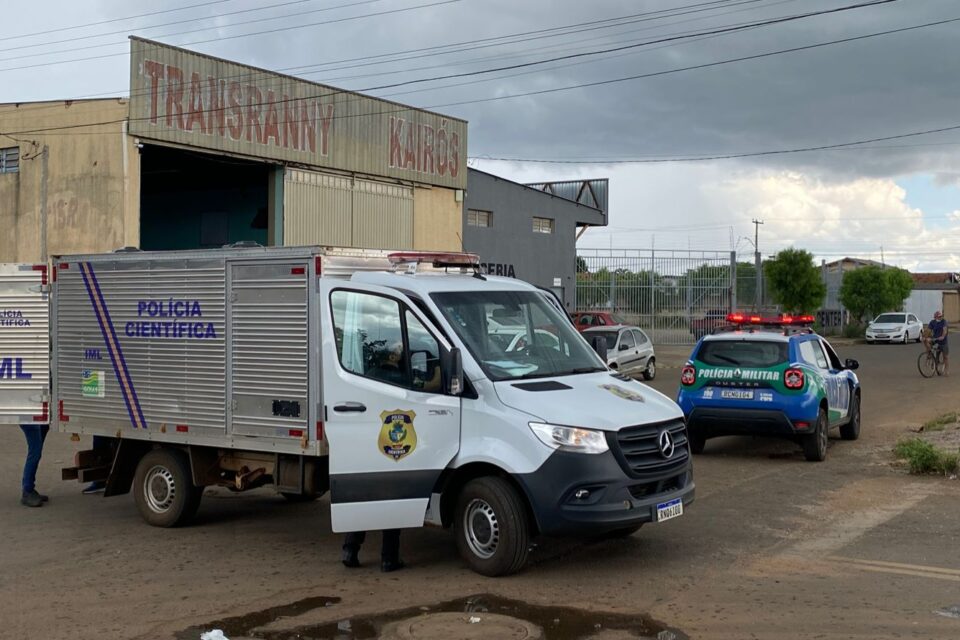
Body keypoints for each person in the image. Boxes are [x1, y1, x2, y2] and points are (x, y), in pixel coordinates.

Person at [19, 424, 50, 507]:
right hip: (30, 417)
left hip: (39, 417)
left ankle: (30, 489)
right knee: (35, 452)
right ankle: (27, 490)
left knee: (36, 450)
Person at [929, 310, 949, 376]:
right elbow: (928, 330)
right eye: (938, 317)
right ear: (935, 317)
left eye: (941, 316)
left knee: (945, 356)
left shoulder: (944, 322)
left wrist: (943, 336)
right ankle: (930, 357)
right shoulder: (932, 322)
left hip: (943, 341)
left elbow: (945, 330)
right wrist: (925, 336)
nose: (940, 318)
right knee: (928, 344)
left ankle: (946, 370)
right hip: (935, 340)